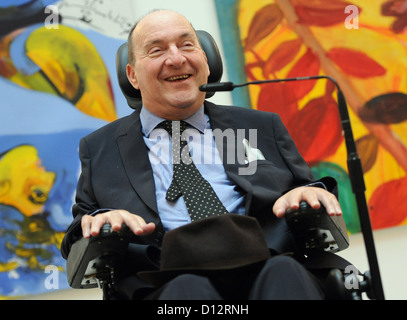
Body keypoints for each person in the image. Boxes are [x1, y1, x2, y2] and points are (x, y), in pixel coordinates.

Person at [61, 10, 347, 300]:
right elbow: (77, 233)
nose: (176, 59)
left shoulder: (260, 126)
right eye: (157, 50)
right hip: (164, 280)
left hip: (269, 263)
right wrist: (101, 219)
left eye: (187, 45)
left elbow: (310, 191)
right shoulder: (100, 148)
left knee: (284, 273)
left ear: (207, 62)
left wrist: (307, 193)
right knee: (188, 291)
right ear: (133, 76)